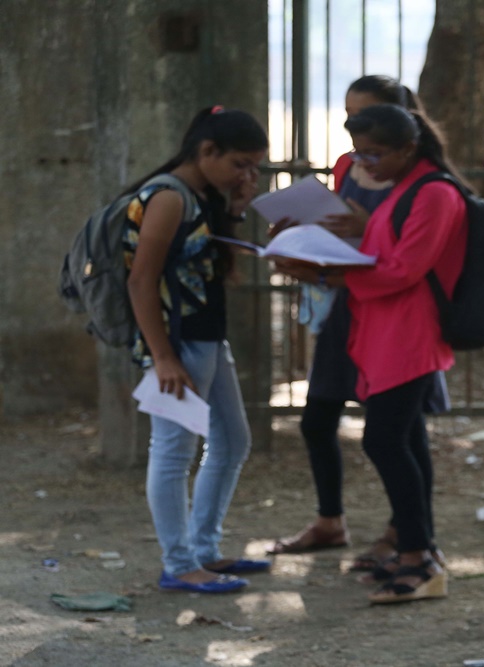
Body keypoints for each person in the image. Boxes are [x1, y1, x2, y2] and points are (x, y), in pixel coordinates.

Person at [274, 104, 467, 604]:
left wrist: (324, 275)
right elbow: (378, 254)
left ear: (408, 148)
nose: (364, 163)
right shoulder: (402, 187)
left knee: (386, 440)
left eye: (375, 154)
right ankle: (416, 553)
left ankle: (419, 558)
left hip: (410, 335)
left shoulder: (436, 194)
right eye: (359, 153)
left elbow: (403, 269)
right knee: (397, 440)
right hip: (381, 330)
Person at [125, 106, 270, 594]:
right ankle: (180, 563)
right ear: (207, 151)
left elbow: (214, 269)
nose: (247, 175)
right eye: (241, 164)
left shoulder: (201, 195)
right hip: (178, 345)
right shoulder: (168, 197)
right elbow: (141, 281)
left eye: (255, 167)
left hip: (205, 338)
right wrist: (162, 355)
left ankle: (204, 550)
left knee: (232, 441)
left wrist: (235, 207)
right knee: (173, 452)